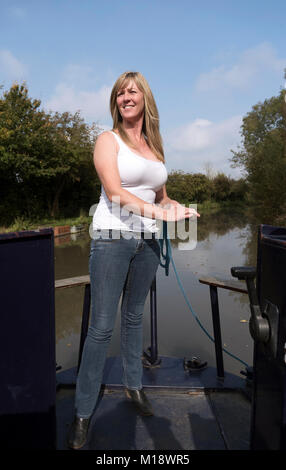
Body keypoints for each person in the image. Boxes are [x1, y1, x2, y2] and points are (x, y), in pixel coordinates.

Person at [68, 71, 199, 449]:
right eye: (120, 93)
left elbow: (161, 198)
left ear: (145, 99)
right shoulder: (107, 140)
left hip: (147, 243)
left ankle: (133, 387)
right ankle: (81, 412)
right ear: (116, 102)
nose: (126, 97)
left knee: (134, 317)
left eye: (132, 91)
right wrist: (161, 215)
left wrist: (180, 209)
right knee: (102, 326)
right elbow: (114, 191)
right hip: (112, 237)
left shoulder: (153, 148)